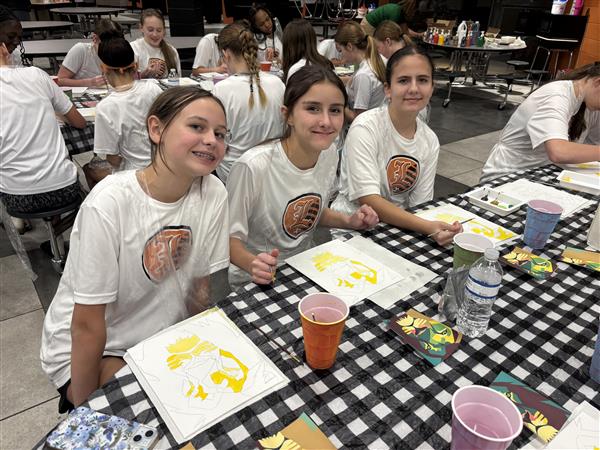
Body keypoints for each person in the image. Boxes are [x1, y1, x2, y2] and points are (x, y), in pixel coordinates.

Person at [40, 87, 231, 412]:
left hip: (157, 335)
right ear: (156, 129)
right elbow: (86, 325)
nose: (211, 140)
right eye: (197, 127)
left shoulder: (213, 192)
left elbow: (200, 288)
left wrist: (197, 350)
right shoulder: (111, 202)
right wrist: (86, 416)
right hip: (98, 346)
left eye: (221, 134)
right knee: (144, 413)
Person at [227, 65, 379, 289]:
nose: (326, 121)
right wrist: (253, 264)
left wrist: (349, 221)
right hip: (254, 279)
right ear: (287, 115)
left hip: (305, 265)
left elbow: (312, 211)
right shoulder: (253, 167)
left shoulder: (328, 154)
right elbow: (228, 239)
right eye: (313, 109)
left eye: (335, 110)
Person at [331, 46, 462, 246]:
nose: (414, 89)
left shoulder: (429, 140)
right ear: (388, 89)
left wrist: (435, 228)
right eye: (403, 80)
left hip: (401, 227)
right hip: (354, 229)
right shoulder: (366, 126)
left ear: (432, 87)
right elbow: (368, 199)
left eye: (422, 80)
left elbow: (420, 205)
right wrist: (428, 227)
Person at [0, 6, 86, 218]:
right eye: (11, 37)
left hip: (18, 197)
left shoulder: (33, 75)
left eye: (19, 37)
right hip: (65, 189)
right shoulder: (37, 75)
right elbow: (80, 122)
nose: (17, 43)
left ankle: (21, 224)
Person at [480, 62, 600, 183]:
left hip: (542, 171)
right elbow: (559, 151)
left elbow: (594, 144)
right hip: (508, 174)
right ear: (597, 82)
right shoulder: (556, 96)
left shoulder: (586, 102)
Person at [84, 33, 163, 187]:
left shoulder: (106, 107)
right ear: (135, 65)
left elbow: (113, 159)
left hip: (133, 177)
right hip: (163, 166)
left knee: (89, 168)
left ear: (103, 68)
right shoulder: (153, 88)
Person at [213, 21, 285, 183]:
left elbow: (218, 140)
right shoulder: (277, 83)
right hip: (273, 169)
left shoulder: (221, 90)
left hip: (234, 172)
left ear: (226, 54)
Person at [334, 20, 387, 122]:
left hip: (368, 125)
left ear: (349, 46)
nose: (341, 55)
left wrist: (337, 104)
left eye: (340, 50)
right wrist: (335, 79)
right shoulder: (379, 59)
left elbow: (358, 118)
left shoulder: (363, 76)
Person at [56, 19, 123, 88]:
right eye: (106, 46)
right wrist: (90, 82)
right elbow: (60, 80)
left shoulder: (121, 51)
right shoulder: (81, 50)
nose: (110, 51)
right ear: (94, 39)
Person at [131, 8, 181, 79]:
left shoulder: (172, 51)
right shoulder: (133, 48)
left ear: (164, 30)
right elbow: (124, 81)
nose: (155, 34)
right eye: (150, 30)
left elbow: (178, 80)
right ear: (141, 28)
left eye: (159, 30)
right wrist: (143, 75)